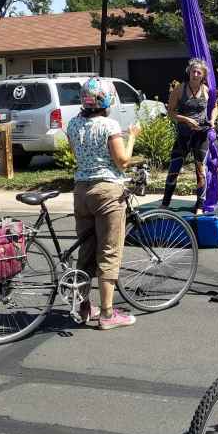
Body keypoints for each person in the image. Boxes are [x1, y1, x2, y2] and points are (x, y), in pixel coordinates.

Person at [65, 77, 141, 330]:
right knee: (109, 252)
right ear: (107, 100)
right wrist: (131, 137)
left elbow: (78, 155)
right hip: (107, 192)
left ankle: (85, 307)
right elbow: (122, 161)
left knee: (86, 251)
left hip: (81, 191)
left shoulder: (74, 124)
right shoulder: (109, 125)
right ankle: (108, 314)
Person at [161, 58, 218, 214]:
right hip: (184, 135)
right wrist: (186, 119)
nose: (195, 74)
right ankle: (165, 203)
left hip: (201, 135)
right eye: (193, 71)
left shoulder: (206, 90)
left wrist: (212, 120)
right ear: (189, 72)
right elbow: (170, 113)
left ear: (203, 75)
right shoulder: (179, 89)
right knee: (174, 168)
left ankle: (199, 205)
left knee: (201, 170)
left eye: (198, 72)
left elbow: (214, 107)